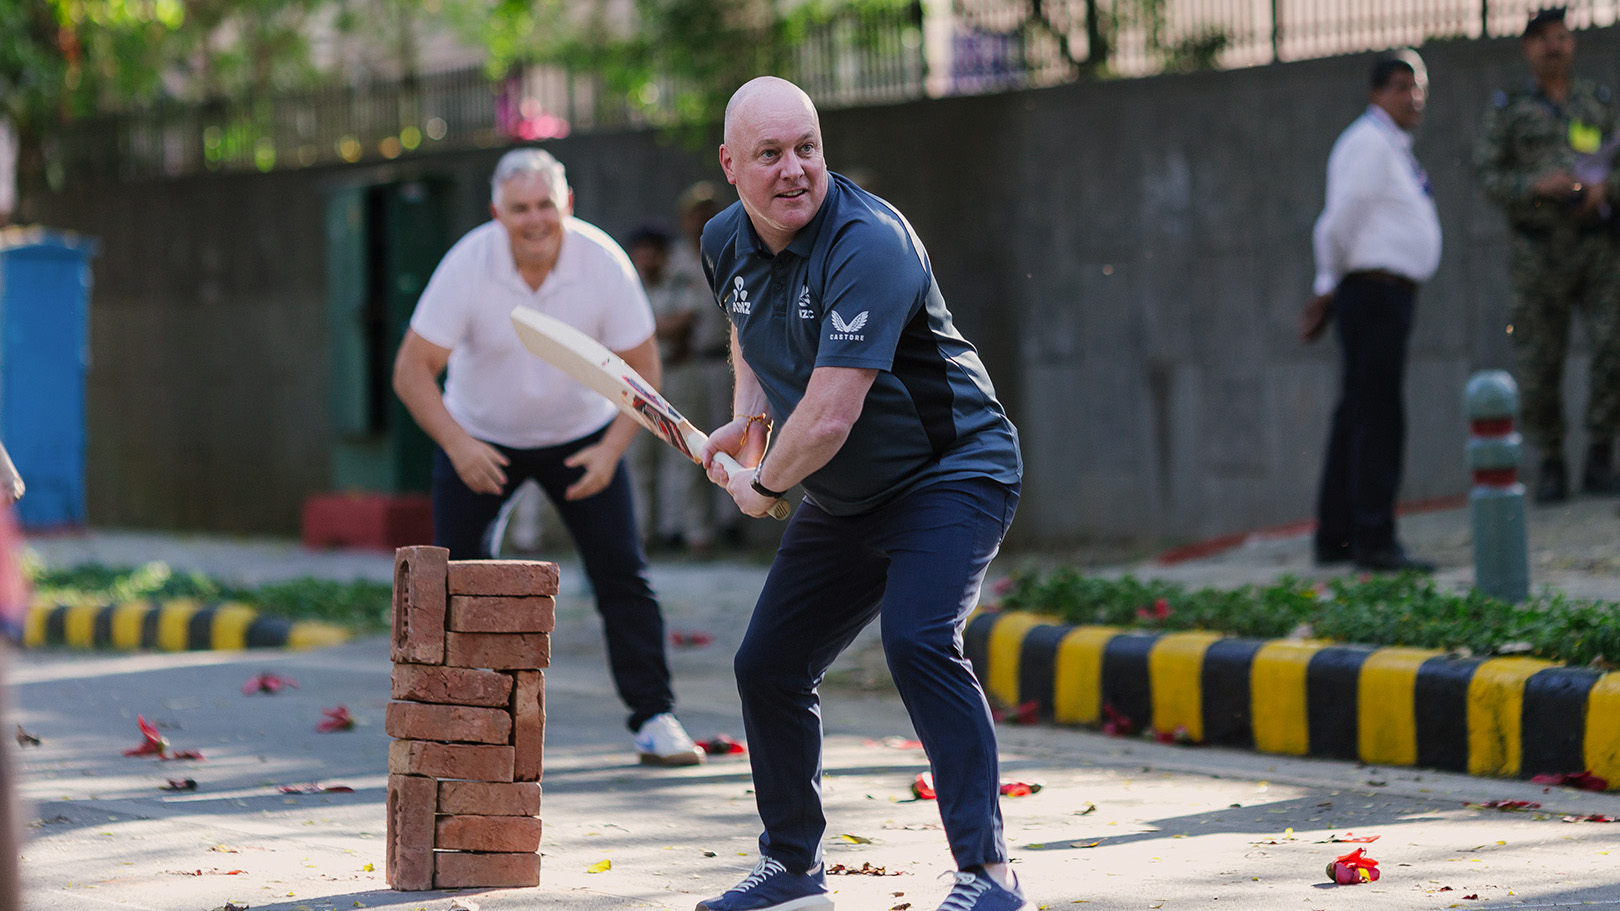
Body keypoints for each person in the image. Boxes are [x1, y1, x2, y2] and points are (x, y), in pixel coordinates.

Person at [695, 77, 1028, 911]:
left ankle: (989, 875)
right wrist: (749, 412)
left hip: (952, 472)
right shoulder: (722, 239)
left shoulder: (868, 240)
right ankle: (794, 866)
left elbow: (835, 413)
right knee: (767, 663)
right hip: (851, 498)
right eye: (769, 154)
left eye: (807, 146)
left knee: (918, 639)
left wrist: (763, 485)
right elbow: (747, 321)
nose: (795, 169)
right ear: (731, 165)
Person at [392, 148, 703, 767]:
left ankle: (654, 717)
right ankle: (462, 720)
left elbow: (644, 371)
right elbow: (411, 371)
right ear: (496, 212)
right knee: (454, 581)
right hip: (481, 438)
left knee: (623, 574)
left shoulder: (603, 262)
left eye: (545, 205)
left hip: (581, 435)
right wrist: (458, 444)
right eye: (519, 209)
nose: (534, 219)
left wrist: (613, 450)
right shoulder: (467, 265)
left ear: (566, 204)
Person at [1301, 50, 1441, 573]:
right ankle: (1373, 539)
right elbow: (1337, 223)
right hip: (1373, 291)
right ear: (1377, 92)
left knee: (1358, 412)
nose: (1414, 96)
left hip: (1381, 291)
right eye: (1402, 85)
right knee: (1377, 415)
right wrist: (1326, 285)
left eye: (1419, 85)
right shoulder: (1367, 142)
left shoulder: (1391, 146)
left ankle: (1336, 536)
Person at [1474, 7, 1620, 503]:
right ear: (1527, 48)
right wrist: (1536, 185)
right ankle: (1552, 462)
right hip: (1538, 253)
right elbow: (1488, 177)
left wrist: (1605, 191)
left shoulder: (1597, 103)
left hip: (1597, 248)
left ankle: (1602, 455)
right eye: (1542, 39)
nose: (1554, 45)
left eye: (1561, 36)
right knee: (1540, 362)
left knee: (1612, 344)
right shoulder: (1509, 107)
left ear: (1572, 43)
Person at [627, 220, 719, 555]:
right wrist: (657, 330)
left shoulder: (680, 281)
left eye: (653, 254)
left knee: (688, 453)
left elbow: (685, 320)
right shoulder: (628, 286)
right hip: (640, 380)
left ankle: (697, 535)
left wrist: (644, 332)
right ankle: (641, 535)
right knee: (639, 460)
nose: (647, 260)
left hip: (679, 373)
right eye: (642, 254)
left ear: (663, 256)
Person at [666, 182, 741, 549]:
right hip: (696, 358)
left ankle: (733, 523)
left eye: (709, 210)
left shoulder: (735, 247)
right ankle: (696, 530)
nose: (703, 217)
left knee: (735, 441)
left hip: (734, 362)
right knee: (696, 447)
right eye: (696, 211)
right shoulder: (679, 259)